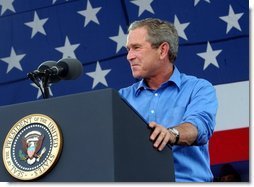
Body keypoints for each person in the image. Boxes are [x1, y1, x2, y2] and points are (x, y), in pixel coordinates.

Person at [119, 18, 218, 182]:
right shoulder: (121, 98)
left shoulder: (198, 88)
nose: (129, 56)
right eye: (128, 49)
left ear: (163, 50)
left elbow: (200, 125)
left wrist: (171, 134)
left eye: (136, 48)